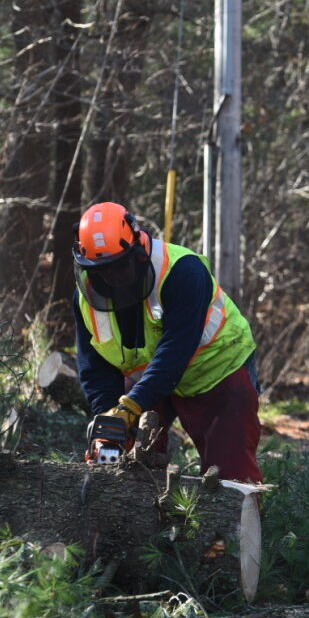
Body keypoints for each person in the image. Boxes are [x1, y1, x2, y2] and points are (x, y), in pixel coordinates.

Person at [72, 201, 262, 484]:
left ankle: (240, 525)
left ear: (137, 252)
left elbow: (175, 351)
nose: (112, 277)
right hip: (147, 383)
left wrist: (131, 405)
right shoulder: (87, 298)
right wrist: (108, 416)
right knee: (117, 461)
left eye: (119, 266)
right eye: (102, 270)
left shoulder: (182, 271)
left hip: (218, 370)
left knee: (230, 475)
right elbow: (94, 366)